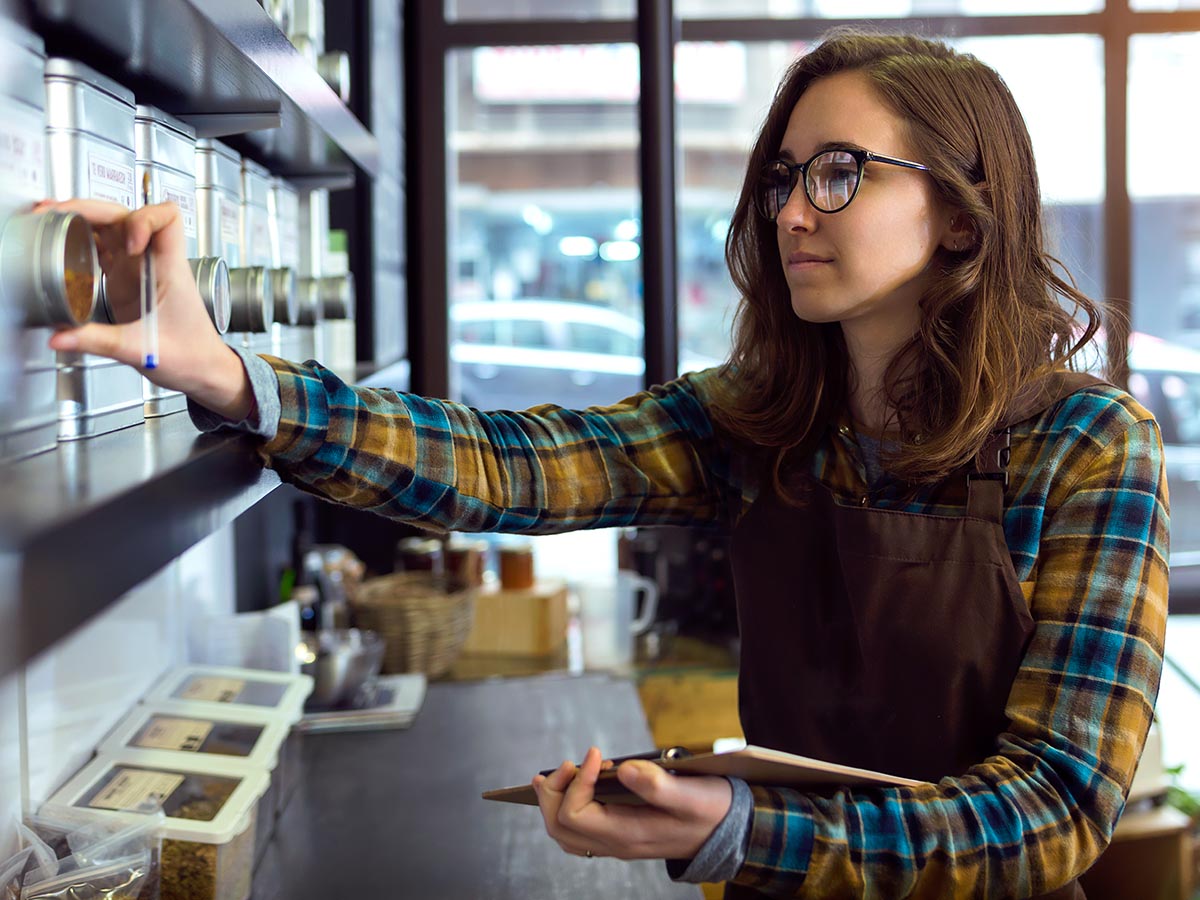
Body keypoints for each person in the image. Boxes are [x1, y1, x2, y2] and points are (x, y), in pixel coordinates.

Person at [38, 30, 1167, 900]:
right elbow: (509, 465)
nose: (790, 213)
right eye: (781, 178)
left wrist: (736, 829)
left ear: (963, 218)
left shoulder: (1087, 448)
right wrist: (236, 380)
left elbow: (1054, 810)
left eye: (838, 172)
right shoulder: (760, 422)